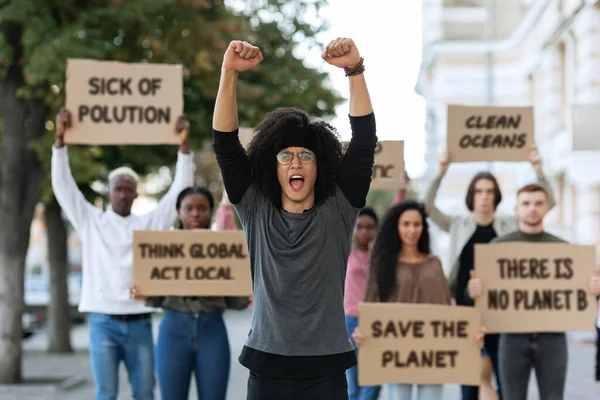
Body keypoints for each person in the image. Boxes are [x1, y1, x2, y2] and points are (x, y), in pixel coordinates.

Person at [211, 37, 376, 399]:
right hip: (267, 369)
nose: (296, 163)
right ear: (273, 165)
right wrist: (229, 73)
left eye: (305, 155)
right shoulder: (254, 208)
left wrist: (354, 70)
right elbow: (224, 143)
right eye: (285, 156)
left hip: (327, 371)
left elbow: (363, 143)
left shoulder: (340, 209)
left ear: (321, 165)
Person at [51, 107, 194, 400]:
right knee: (106, 393)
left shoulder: (149, 224)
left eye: (129, 189)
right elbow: (64, 187)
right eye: (119, 188)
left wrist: (184, 146)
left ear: (136, 194)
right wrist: (60, 140)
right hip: (102, 321)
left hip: (139, 321)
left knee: (144, 392)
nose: (124, 194)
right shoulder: (91, 221)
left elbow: (178, 192)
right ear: (109, 192)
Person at [422, 148, 556, 400]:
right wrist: (441, 173)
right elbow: (427, 207)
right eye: (479, 191)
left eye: (489, 191)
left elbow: (545, 205)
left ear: (496, 196)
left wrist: (539, 170)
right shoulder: (458, 224)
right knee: (469, 382)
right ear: (472, 195)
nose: (484, 197)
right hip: (466, 311)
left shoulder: (508, 224)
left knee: (506, 380)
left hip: (501, 313)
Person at [467, 183, 600, 400]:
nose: (532, 208)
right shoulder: (497, 247)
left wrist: (593, 289)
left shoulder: (564, 249)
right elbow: (479, 294)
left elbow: (579, 294)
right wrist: (474, 290)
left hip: (553, 339)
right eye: (526, 203)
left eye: (538, 203)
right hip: (512, 338)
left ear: (547, 208)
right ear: (516, 209)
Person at [352, 200, 484, 400]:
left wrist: (468, 333)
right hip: (395, 352)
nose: (412, 230)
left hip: (431, 354)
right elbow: (371, 306)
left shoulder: (434, 264)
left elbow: (446, 308)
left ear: (424, 228)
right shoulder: (383, 264)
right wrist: (363, 333)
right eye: (406, 224)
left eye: (417, 224)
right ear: (396, 227)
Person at [130, 187, 250, 400]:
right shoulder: (163, 246)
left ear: (210, 212)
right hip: (174, 328)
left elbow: (236, 301)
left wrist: (245, 292)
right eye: (189, 208)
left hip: (212, 329)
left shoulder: (224, 248)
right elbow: (154, 298)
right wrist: (142, 292)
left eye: (202, 208)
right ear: (178, 211)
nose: (195, 213)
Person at [343, 207, 381, 400]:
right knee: (354, 378)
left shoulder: (380, 256)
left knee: (374, 377)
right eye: (360, 227)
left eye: (370, 227)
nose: (365, 231)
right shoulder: (344, 253)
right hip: (351, 320)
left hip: (375, 320)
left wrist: (400, 190)